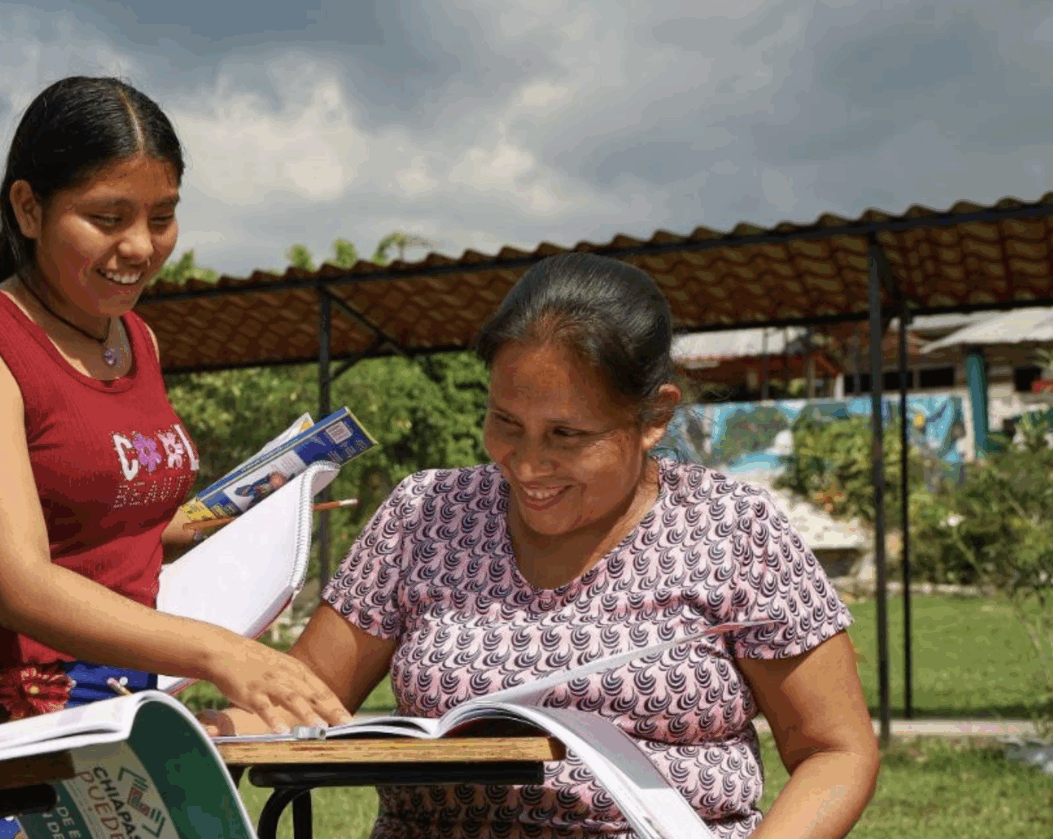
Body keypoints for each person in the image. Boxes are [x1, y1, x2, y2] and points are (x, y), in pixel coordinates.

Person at [204, 253, 880, 839]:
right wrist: (196, 735)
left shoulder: (733, 529)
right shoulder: (424, 515)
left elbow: (835, 750)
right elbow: (300, 700)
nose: (527, 464)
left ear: (654, 417)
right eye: (506, 422)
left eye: (566, 435)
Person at [0, 75, 350, 838]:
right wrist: (222, 653)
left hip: (125, 699)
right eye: (107, 218)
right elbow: (21, 585)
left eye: (163, 216)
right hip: (3, 710)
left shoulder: (134, 339)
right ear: (28, 208)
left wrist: (249, 513)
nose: (141, 247)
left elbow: (113, 524)